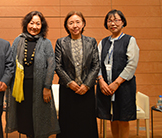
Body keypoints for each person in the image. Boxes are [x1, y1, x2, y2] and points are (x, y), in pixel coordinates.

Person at [7, 11, 60, 138]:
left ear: (42, 26)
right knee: (26, 120)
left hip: (40, 88)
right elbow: (10, 64)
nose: (34, 27)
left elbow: (51, 65)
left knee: (40, 119)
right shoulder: (17, 41)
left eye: (38, 23)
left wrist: (47, 87)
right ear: (26, 24)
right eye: (32, 23)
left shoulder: (45, 42)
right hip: (21, 89)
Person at [54, 11, 99, 138]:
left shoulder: (91, 42)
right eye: (71, 23)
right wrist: (70, 82)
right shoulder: (61, 42)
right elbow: (58, 66)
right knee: (68, 122)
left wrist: (87, 84)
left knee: (87, 122)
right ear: (66, 26)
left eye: (78, 22)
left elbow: (96, 65)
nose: (75, 25)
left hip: (87, 89)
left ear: (83, 24)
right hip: (68, 90)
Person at [96, 9, 139, 138]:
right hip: (105, 86)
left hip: (123, 86)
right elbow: (97, 63)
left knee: (123, 118)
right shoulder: (103, 42)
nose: (113, 23)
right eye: (109, 20)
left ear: (123, 22)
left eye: (116, 20)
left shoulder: (130, 40)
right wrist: (101, 81)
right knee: (112, 117)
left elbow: (131, 65)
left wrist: (116, 83)